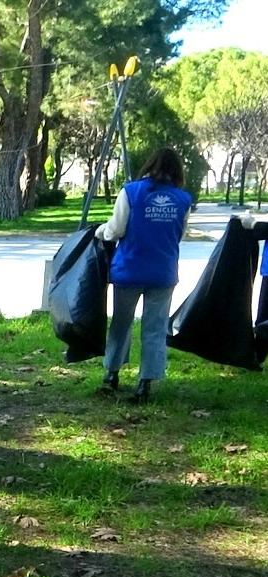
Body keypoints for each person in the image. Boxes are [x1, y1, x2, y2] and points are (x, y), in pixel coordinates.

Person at [95, 148, 193, 404]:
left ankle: (111, 376)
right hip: (163, 272)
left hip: (130, 269)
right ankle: (145, 384)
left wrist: (100, 232)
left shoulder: (131, 192)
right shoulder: (183, 200)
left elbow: (115, 230)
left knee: (121, 324)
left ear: (149, 165)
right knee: (155, 328)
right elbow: (179, 235)